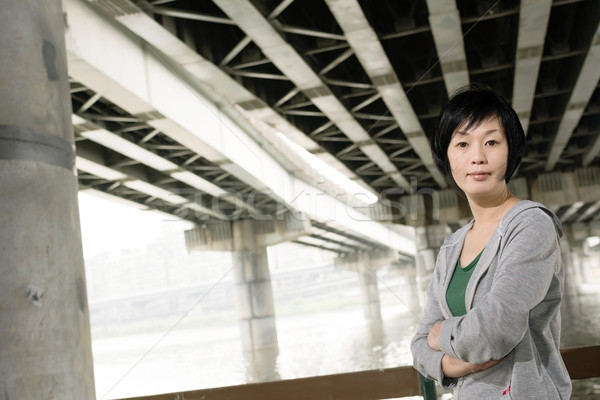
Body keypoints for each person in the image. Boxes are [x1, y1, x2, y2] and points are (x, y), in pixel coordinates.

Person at [410, 84, 572, 399]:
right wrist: (459, 366)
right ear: (446, 156)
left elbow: (496, 331)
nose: (478, 157)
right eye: (462, 144)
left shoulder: (530, 225)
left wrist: (442, 334)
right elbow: (418, 346)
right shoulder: (451, 247)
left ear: (510, 150)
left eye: (492, 142)